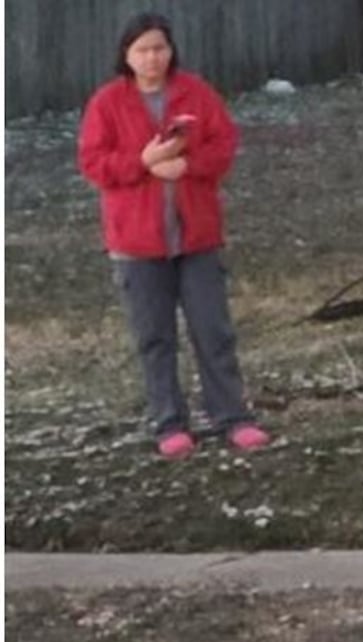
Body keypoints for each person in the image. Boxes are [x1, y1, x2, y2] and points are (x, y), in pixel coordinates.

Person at [78, 12, 270, 460]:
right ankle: (169, 422)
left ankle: (233, 416)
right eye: (143, 50)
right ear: (127, 54)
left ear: (171, 50)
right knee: (155, 336)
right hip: (137, 244)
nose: (152, 58)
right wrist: (141, 161)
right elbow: (93, 163)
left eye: (159, 48)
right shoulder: (107, 103)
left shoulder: (195, 92)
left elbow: (223, 144)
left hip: (197, 237)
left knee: (213, 330)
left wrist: (189, 166)